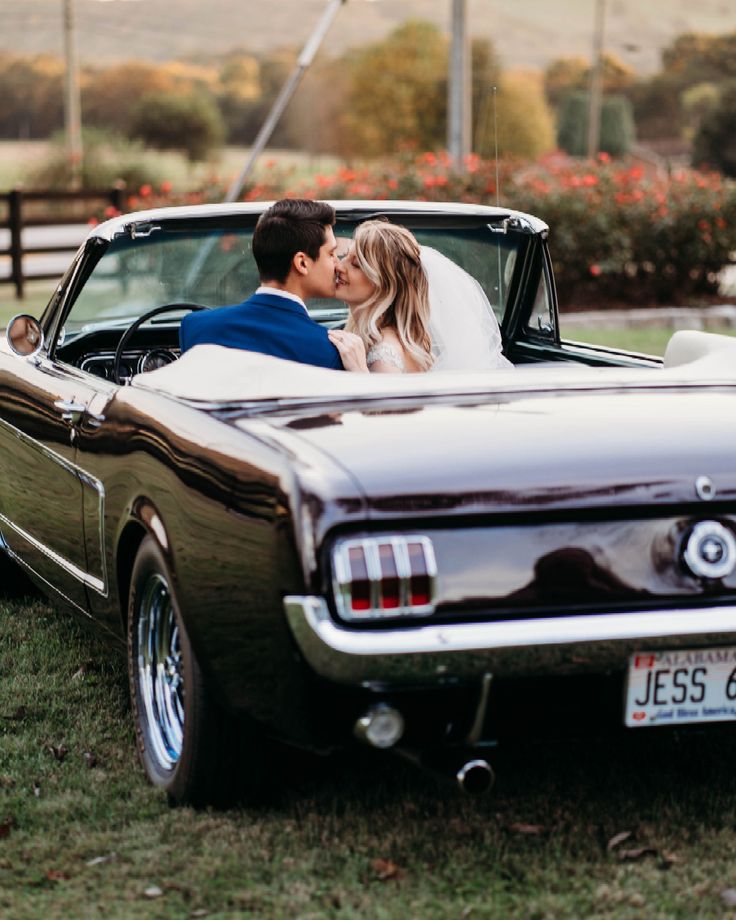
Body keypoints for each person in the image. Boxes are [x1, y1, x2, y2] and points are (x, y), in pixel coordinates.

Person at [328, 220, 512, 374]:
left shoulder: (384, 354)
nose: (339, 266)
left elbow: (384, 417)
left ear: (384, 285)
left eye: (356, 264)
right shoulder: (374, 337)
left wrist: (359, 372)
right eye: (344, 256)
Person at [180, 198, 343, 370]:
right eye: (331, 253)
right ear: (302, 263)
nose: (338, 263)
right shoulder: (327, 349)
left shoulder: (196, 327)